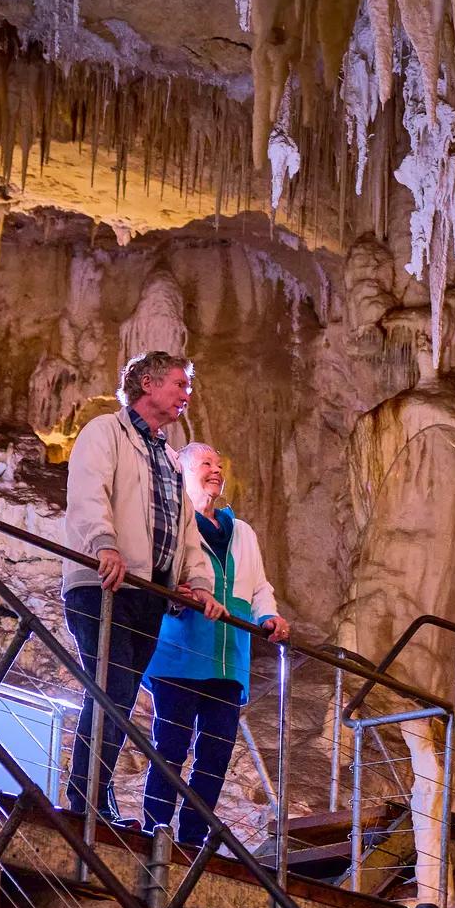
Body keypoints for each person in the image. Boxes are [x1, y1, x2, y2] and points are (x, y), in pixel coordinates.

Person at [60, 350, 221, 819]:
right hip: (102, 583)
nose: (186, 396)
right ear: (148, 384)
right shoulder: (104, 433)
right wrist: (103, 543)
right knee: (110, 687)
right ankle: (86, 799)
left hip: (147, 592)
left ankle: (95, 794)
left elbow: (185, 530)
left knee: (123, 696)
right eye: (179, 385)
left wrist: (197, 582)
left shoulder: (170, 459)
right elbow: (89, 492)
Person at [141, 443, 291, 843]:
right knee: (171, 745)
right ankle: (154, 826)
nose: (216, 470)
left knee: (216, 755)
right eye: (206, 463)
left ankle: (191, 837)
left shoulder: (241, 532)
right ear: (184, 472)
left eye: (219, 465)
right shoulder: (174, 520)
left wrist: (269, 616)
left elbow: (258, 587)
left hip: (228, 660)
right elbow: (157, 571)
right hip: (180, 655)